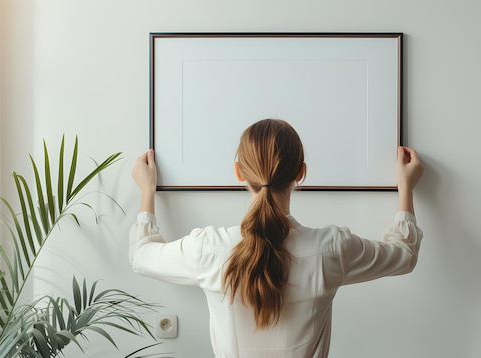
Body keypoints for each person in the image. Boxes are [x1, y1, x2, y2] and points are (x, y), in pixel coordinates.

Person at [130, 118, 424, 358]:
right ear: (301, 173)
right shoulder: (331, 249)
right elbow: (404, 255)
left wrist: (147, 190)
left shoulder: (210, 248)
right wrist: (405, 187)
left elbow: (141, 256)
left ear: (238, 173)